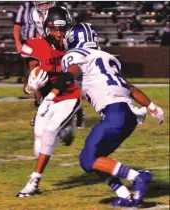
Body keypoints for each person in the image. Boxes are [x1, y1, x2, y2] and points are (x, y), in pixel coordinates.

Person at [44, 23, 164, 207]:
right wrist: (153, 106)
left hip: (114, 112)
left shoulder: (75, 56)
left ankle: (138, 177)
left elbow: (72, 71)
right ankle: (124, 195)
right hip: (127, 115)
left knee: (88, 159)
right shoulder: (108, 58)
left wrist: (53, 93)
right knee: (95, 159)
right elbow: (130, 87)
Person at [16, 6, 81, 198]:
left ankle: (33, 182)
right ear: (46, 28)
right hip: (48, 100)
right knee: (39, 142)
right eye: (54, 29)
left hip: (69, 96)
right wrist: (31, 88)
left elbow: (71, 75)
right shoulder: (35, 45)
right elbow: (29, 80)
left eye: (62, 29)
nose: (59, 34)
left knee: (51, 131)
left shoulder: (75, 46)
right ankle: (67, 127)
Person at [29, 1, 86, 128]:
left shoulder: (61, 12)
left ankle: (78, 112)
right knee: (41, 76)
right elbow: (38, 34)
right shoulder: (33, 15)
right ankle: (41, 109)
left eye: (47, 3)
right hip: (49, 44)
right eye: (42, 4)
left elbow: (70, 28)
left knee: (70, 77)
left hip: (64, 46)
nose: (44, 6)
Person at [13, 1, 38, 83]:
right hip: (28, 41)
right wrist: (18, 43)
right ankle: (29, 84)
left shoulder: (47, 6)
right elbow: (17, 26)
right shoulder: (24, 7)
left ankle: (28, 83)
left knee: (39, 68)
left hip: (43, 41)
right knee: (33, 64)